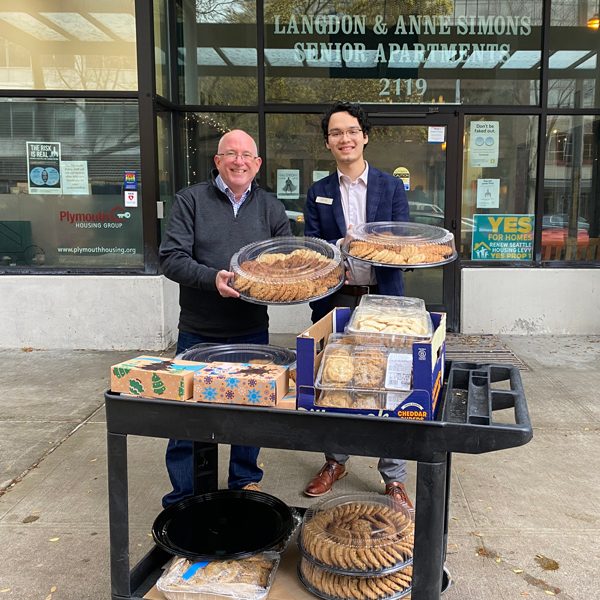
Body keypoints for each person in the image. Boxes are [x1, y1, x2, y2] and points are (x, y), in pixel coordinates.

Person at [159, 129, 291, 508]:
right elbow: (171, 257)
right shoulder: (191, 201)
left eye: (247, 154)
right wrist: (211, 278)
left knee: (249, 414)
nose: (239, 161)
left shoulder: (271, 208)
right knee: (186, 419)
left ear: (257, 164)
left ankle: (244, 483)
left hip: (251, 330)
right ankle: (185, 496)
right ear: (217, 161)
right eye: (230, 154)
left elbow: (283, 262)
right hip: (198, 333)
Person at [303, 102, 413, 507]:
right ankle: (335, 460)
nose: (344, 139)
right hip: (336, 303)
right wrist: (341, 247)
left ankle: (394, 476)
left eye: (351, 131)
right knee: (334, 382)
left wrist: (367, 244)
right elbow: (315, 248)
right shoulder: (318, 192)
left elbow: (399, 240)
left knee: (391, 384)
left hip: (383, 302)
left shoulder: (390, 187)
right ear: (328, 142)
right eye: (335, 133)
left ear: (364, 136)